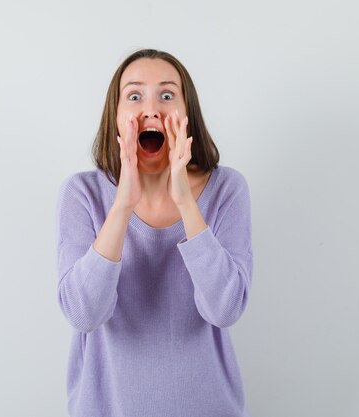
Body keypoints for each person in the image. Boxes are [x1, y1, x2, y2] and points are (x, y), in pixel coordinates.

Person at [55, 48, 254, 417]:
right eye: (134, 95)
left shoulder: (228, 189)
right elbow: (84, 314)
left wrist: (186, 204)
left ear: (186, 113)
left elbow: (225, 309)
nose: (152, 109)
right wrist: (122, 205)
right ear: (114, 117)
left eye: (167, 95)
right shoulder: (81, 194)